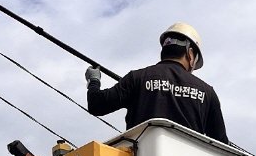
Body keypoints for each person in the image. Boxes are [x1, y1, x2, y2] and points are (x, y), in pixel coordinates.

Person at [85, 22, 229, 143]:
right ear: (190, 54)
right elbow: (221, 144)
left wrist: (94, 80)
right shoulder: (207, 93)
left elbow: (97, 105)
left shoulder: (136, 78)